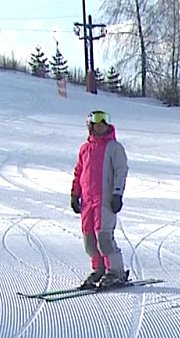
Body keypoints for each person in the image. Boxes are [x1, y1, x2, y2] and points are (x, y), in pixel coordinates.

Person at [71, 110, 129, 288]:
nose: (101, 125)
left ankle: (116, 271)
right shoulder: (85, 149)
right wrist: (75, 194)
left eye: (104, 122)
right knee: (89, 239)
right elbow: (79, 171)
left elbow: (121, 171)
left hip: (105, 199)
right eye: (97, 122)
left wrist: (117, 194)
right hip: (88, 201)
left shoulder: (114, 147)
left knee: (103, 236)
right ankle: (100, 268)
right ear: (91, 126)